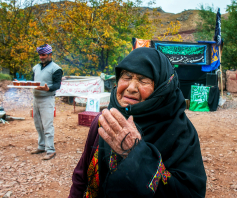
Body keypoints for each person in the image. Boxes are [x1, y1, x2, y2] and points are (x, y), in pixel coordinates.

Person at [69, 47, 207, 198]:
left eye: (143, 80)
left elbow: (191, 193)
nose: (131, 88)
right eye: (126, 77)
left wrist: (137, 154)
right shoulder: (104, 121)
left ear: (162, 88)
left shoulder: (180, 132)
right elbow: (81, 178)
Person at [30, 44, 63, 160]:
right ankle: (41, 145)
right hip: (36, 98)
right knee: (38, 124)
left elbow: (57, 85)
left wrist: (47, 88)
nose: (41, 57)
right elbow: (32, 81)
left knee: (47, 125)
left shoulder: (56, 69)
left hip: (47, 99)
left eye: (43, 55)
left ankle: (50, 150)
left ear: (50, 54)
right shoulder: (35, 68)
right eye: (40, 55)